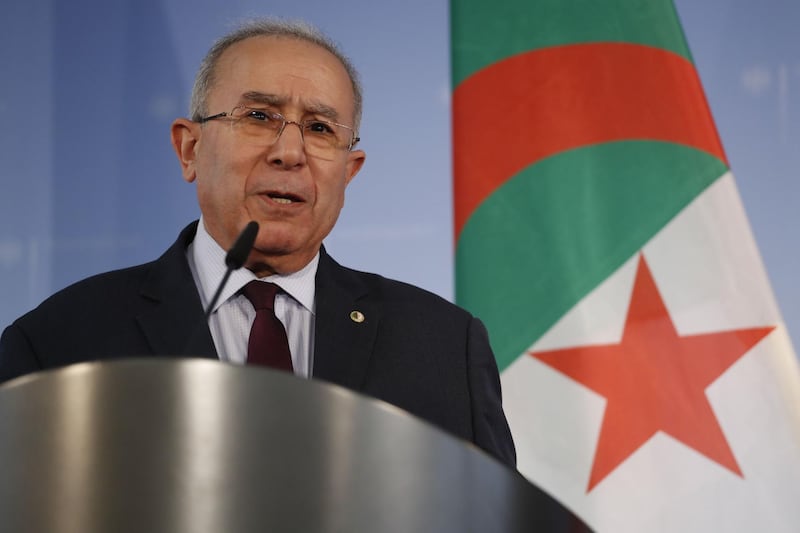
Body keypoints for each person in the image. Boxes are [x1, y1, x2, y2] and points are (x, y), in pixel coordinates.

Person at [0, 18, 514, 467]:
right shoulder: (59, 343)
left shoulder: (445, 347)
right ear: (189, 148)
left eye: (319, 128)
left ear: (349, 172)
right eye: (259, 117)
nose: (290, 152)